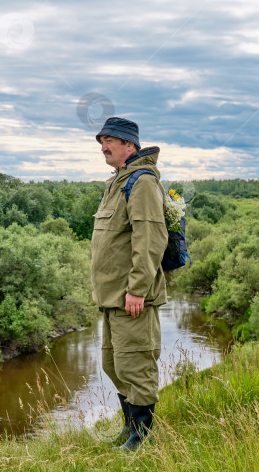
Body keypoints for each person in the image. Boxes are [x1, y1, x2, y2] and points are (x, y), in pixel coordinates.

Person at [90, 116, 168, 451]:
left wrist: (137, 288)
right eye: (101, 141)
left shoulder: (142, 182)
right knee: (115, 364)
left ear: (129, 146)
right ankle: (129, 427)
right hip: (112, 297)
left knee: (136, 364)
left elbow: (150, 238)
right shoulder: (118, 181)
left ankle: (143, 437)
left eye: (110, 140)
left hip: (131, 296)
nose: (104, 146)